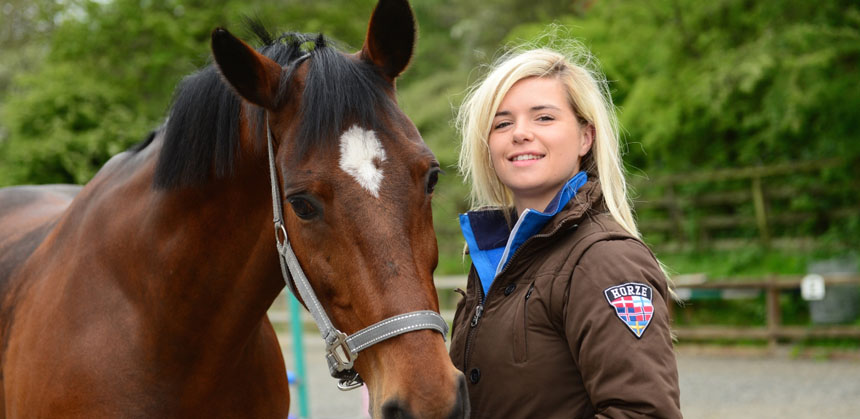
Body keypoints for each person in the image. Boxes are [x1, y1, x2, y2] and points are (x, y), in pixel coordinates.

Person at [448, 41, 682, 418]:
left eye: (544, 118)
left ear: (585, 137)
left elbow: (643, 413)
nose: (520, 133)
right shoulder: (491, 258)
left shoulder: (606, 260)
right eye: (502, 123)